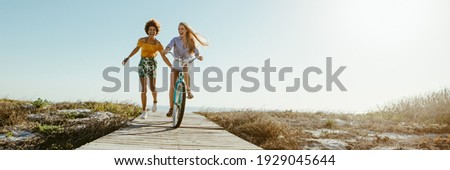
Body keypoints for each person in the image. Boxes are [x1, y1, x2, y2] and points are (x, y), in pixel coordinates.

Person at [122, 19, 172, 119]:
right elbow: (136, 49)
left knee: (152, 87)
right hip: (142, 63)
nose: (152, 31)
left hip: (152, 63)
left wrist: (171, 66)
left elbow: (164, 57)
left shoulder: (158, 44)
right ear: (147, 30)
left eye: (154, 30)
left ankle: (155, 101)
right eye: (150, 29)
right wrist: (128, 57)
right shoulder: (142, 40)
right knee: (143, 88)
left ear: (156, 31)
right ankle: (144, 111)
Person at [164, 22, 208, 117]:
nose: (180, 31)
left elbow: (196, 51)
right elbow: (169, 46)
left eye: (182, 29)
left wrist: (198, 56)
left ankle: (188, 90)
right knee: (172, 86)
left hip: (186, 62)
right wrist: (166, 50)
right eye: (179, 29)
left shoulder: (190, 41)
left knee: (185, 66)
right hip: (176, 62)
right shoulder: (175, 39)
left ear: (186, 30)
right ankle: (171, 109)